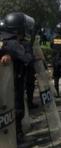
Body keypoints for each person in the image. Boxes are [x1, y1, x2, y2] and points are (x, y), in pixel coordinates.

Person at [1, 12, 34, 142]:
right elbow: (27, 59)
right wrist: (28, 49)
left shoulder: (2, 39)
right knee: (16, 108)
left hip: (4, 82)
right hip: (14, 81)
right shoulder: (14, 43)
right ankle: (18, 138)